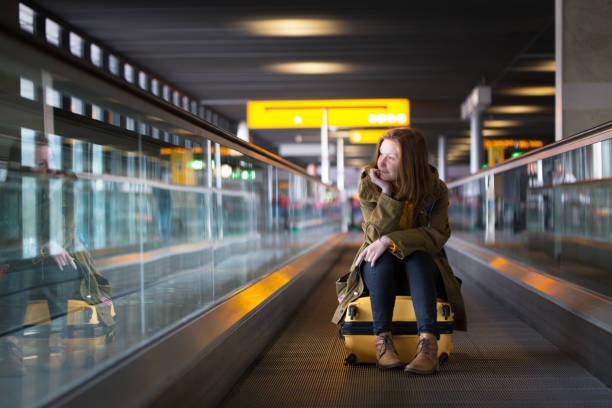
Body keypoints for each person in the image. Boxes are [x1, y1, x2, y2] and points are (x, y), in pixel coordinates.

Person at [332, 127, 466, 374]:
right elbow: (372, 237)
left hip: (420, 273)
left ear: (411, 162)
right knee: (378, 259)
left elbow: (436, 236)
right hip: (381, 272)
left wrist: (390, 240)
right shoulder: (369, 186)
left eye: (391, 157)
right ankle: (383, 342)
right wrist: (386, 193)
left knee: (419, 257)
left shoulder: (435, 190)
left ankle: (427, 346)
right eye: (380, 154)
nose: (381, 162)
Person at [0, 135, 114, 376]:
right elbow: (9, 236)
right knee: (21, 271)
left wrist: (53, 200)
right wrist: (44, 243)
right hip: (25, 270)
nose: (50, 168)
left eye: (50, 160)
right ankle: (11, 347)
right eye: (41, 164)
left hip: (59, 269)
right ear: (24, 169)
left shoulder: (64, 190)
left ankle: (57, 344)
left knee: (59, 268)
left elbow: (68, 236)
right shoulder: (11, 193)